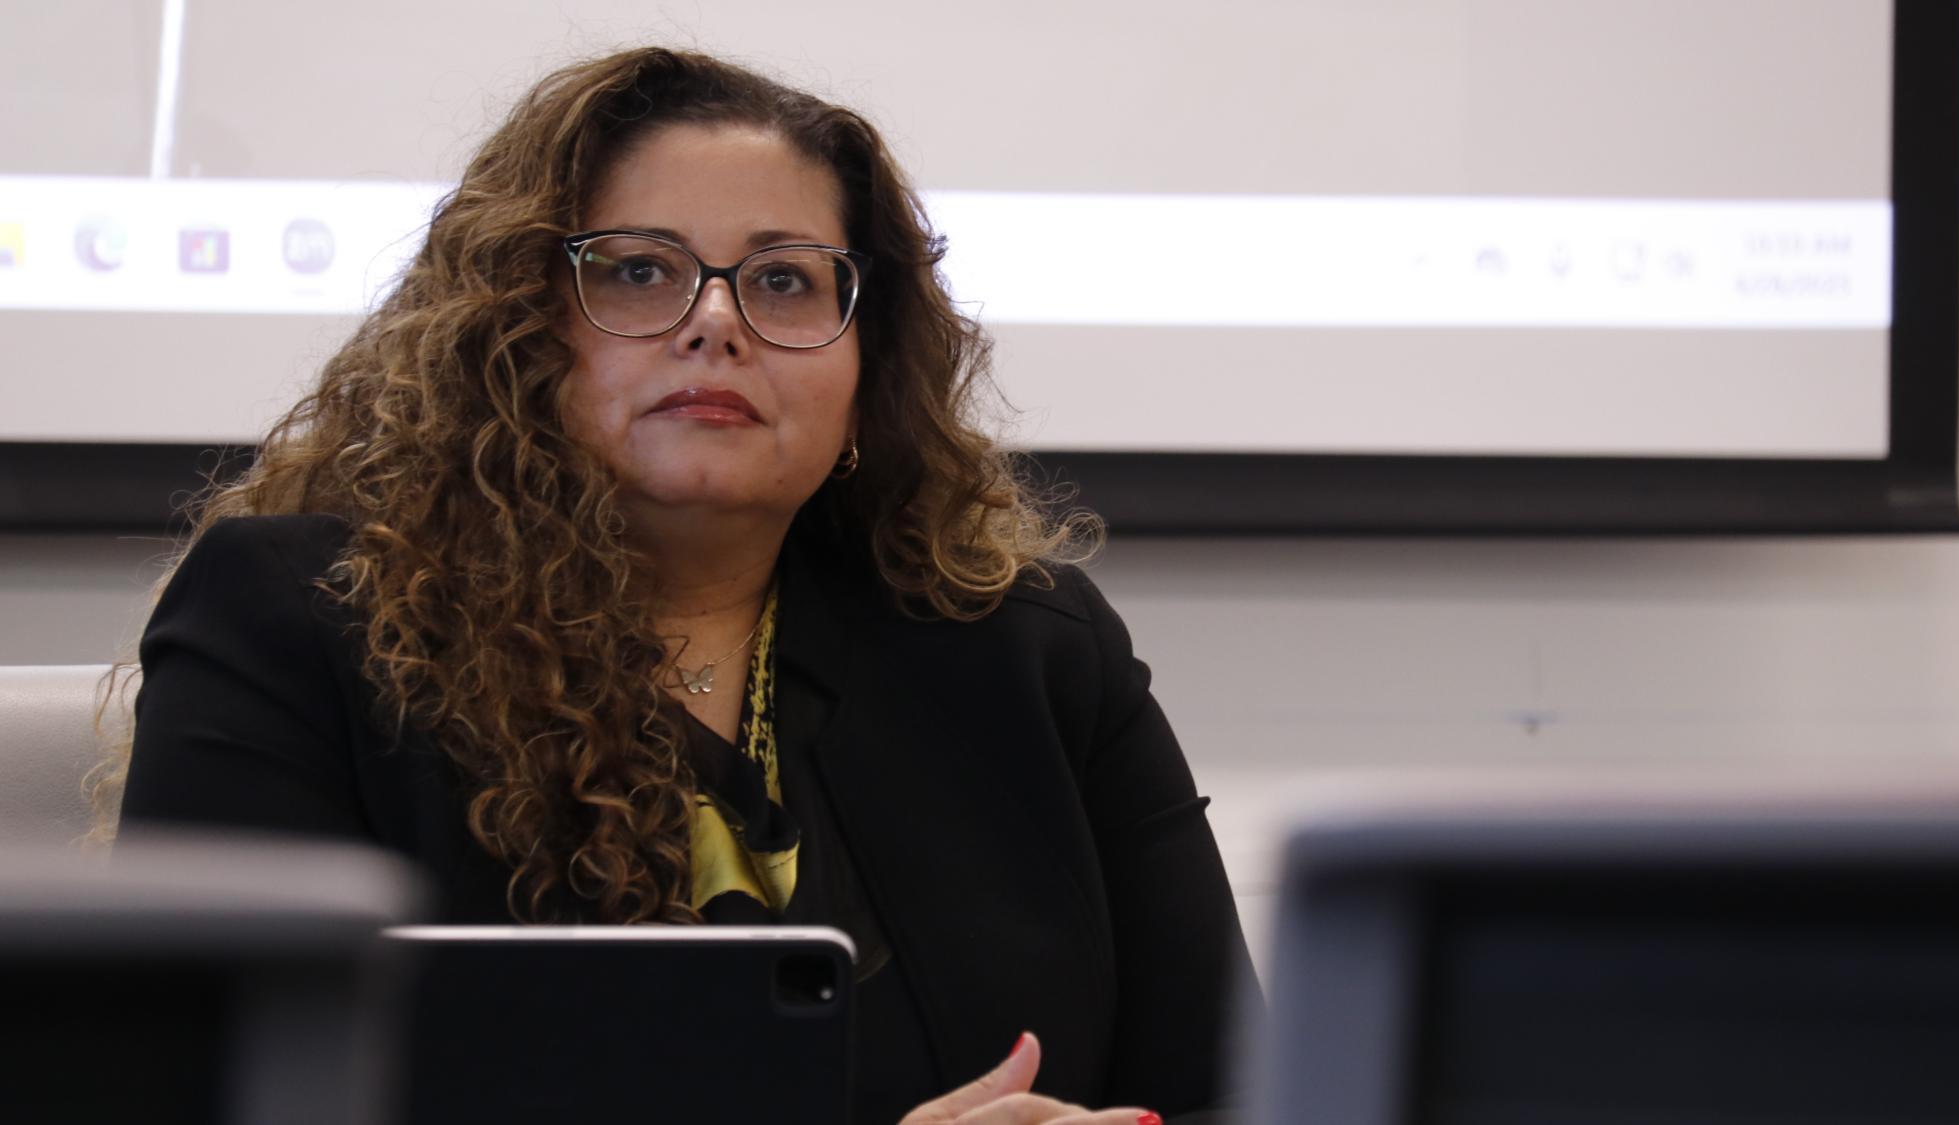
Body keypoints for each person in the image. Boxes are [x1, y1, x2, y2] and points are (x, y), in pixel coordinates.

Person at [109, 47, 1250, 1124]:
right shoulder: (302, 626)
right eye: (640, 271)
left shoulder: (1033, 651)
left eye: (786, 281)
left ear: (868, 366)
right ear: (513, 331)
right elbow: (199, 1096)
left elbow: (1241, 1089)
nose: (717, 322)